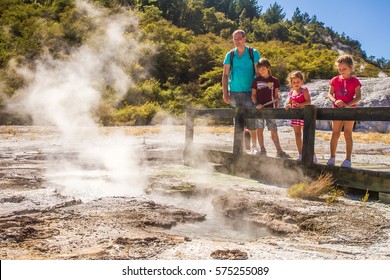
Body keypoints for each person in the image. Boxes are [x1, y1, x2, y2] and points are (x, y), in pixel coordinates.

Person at [222, 30, 260, 154]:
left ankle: (254, 146)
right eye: (235, 39)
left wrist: (257, 92)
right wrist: (225, 92)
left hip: (250, 92)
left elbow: (258, 74)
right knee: (238, 122)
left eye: (239, 38)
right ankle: (242, 148)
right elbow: (225, 75)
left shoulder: (253, 53)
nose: (237, 41)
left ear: (244, 38)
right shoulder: (230, 55)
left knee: (251, 120)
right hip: (234, 92)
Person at [327, 54, 362, 168]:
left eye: (344, 69)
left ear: (351, 67)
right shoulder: (334, 80)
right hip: (337, 110)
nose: (341, 71)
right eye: (339, 69)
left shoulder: (355, 81)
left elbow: (358, 97)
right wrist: (335, 101)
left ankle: (348, 160)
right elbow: (330, 94)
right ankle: (332, 157)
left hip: (350, 110)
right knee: (335, 133)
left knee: (348, 134)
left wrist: (347, 105)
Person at [250, 58, 289, 158]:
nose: (261, 70)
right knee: (260, 129)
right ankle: (263, 150)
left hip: (270, 110)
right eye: (259, 68)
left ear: (268, 68)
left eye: (263, 68)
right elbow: (253, 95)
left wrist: (276, 108)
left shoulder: (274, 80)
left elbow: (276, 96)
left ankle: (279, 151)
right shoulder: (256, 81)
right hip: (259, 109)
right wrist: (256, 104)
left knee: (274, 130)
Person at [284, 70, 317, 163]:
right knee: (297, 135)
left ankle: (312, 155)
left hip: (304, 116)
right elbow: (289, 103)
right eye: (294, 82)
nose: (296, 84)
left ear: (301, 81)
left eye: (298, 82)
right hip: (295, 117)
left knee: (307, 135)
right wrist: (288, 105)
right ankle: (301, 154)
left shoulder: (304, 91)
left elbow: (308, 102)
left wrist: (299, 104)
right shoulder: (291, 93)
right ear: (291, 83)